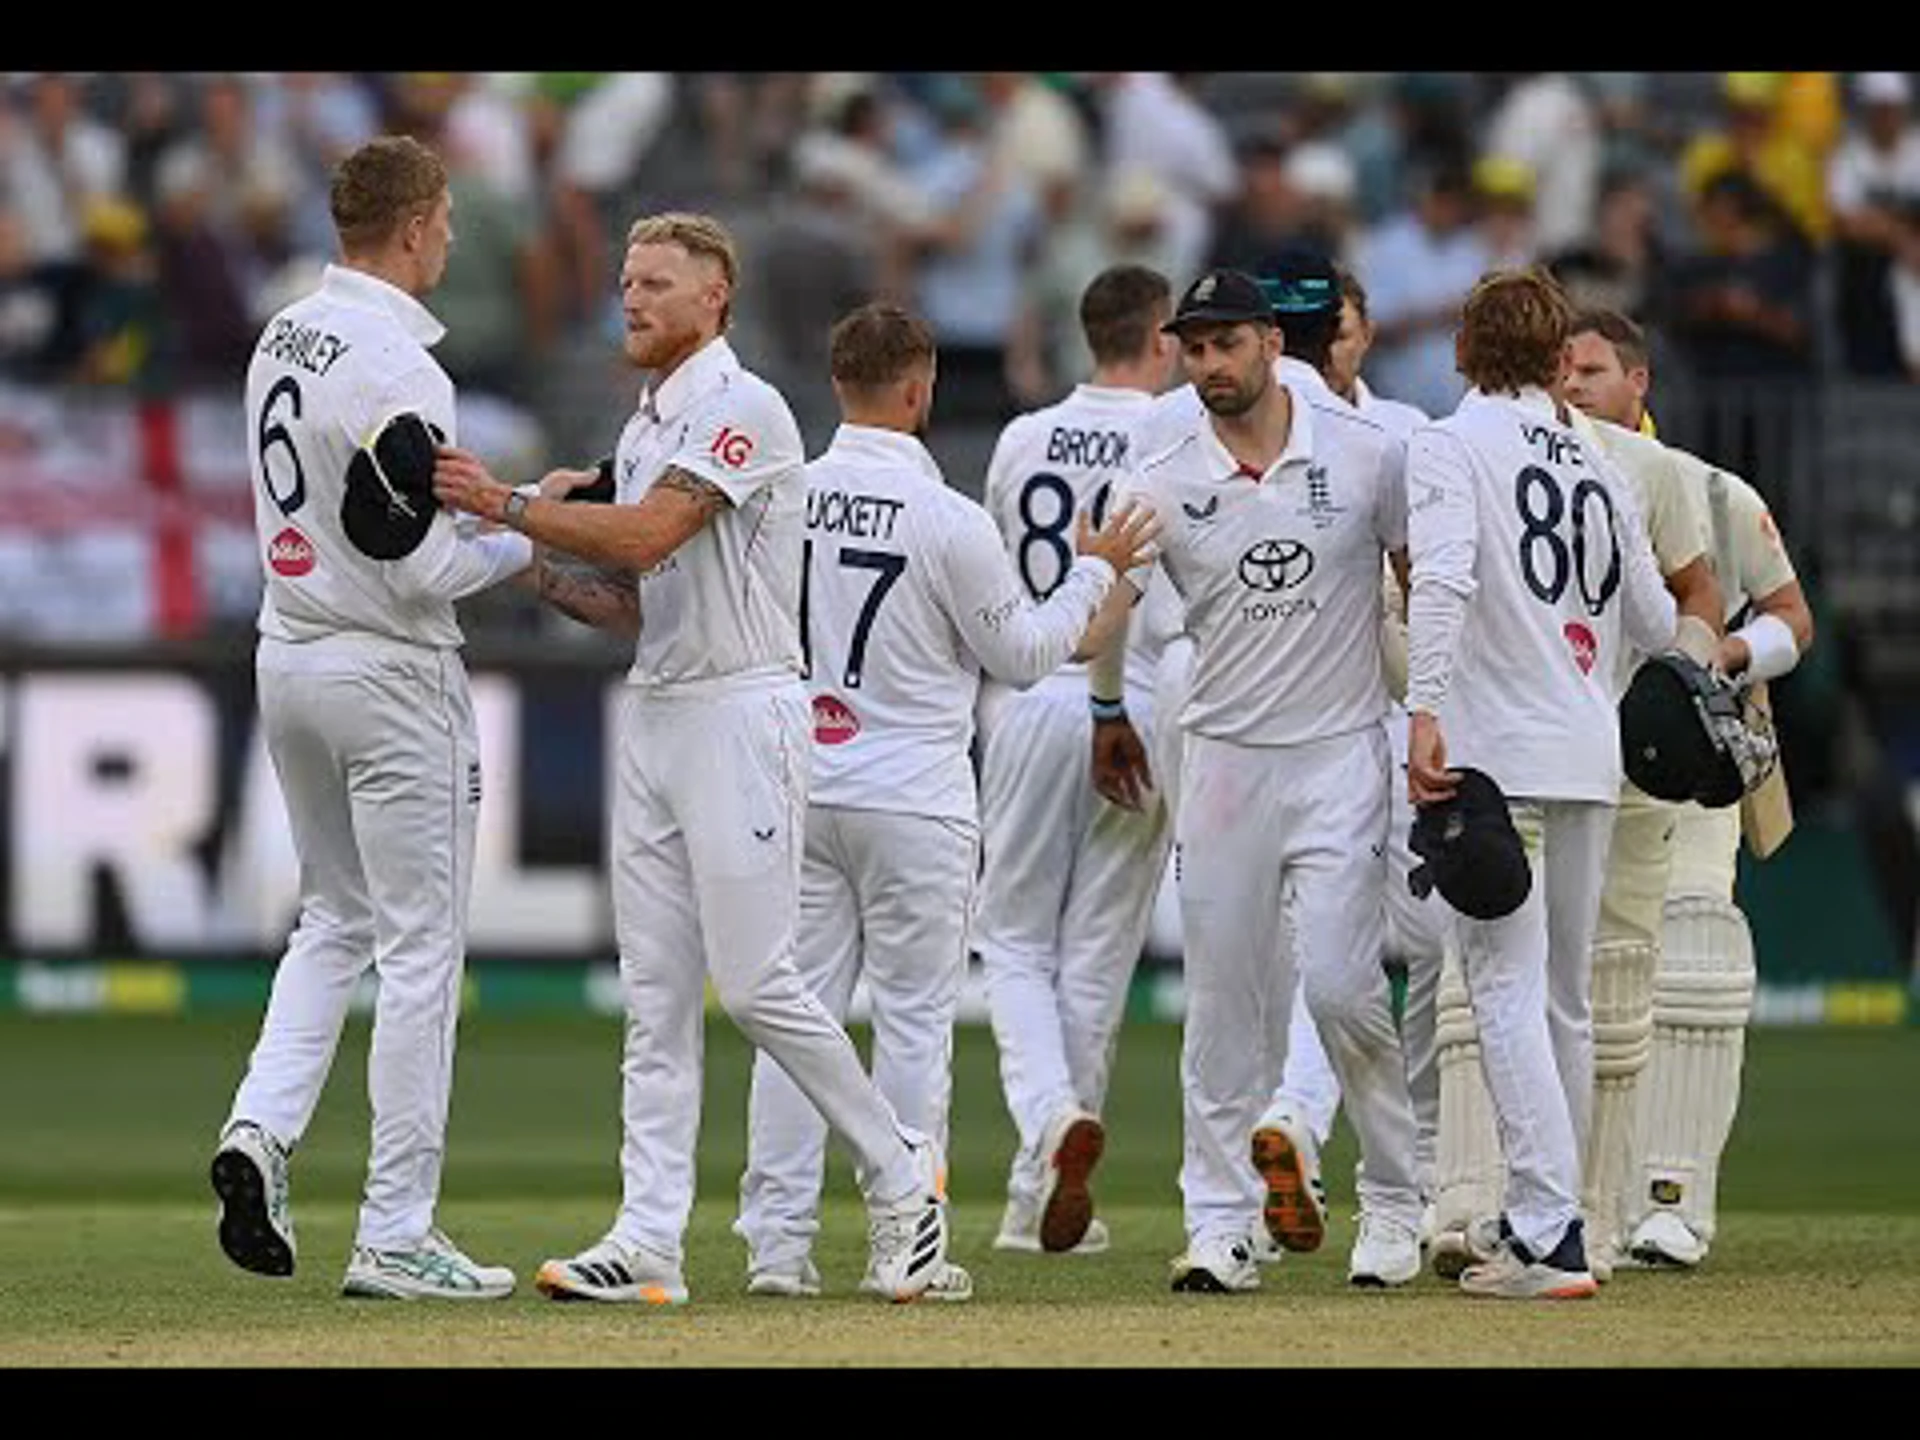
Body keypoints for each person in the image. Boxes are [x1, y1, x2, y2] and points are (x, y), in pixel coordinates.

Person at [430, 211, 950, 1306]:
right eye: (626, 280)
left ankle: (905, 1184)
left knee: (760, 984)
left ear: (716, 299)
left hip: (744, 711)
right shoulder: (645, 425)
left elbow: (651, 536)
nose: (632, 298)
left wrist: (512, 501)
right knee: (656, 997)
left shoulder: (743, 409)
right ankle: (649, 1237)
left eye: (658, 282)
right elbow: (631, 603)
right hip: (662, 709)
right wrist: (519, 554)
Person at [732, 300, 1158, 1299]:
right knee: (915, 1024)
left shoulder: (782, 495)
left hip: (805, 782)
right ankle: (902, 1245)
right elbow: (1023, 656)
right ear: (920, 388)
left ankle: (778, 1249)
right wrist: (1096, 573)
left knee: (800, 1018)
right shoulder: (947, 519)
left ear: (839, 383)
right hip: (915, 794)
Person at [210, 133, 545, 1301]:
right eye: (446, 219)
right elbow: (418, 568)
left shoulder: (282, 335)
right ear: (413, 226)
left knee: (332, 920)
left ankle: (257, 1130)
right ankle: (396, 1230)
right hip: (391, 671)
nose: (451, 237)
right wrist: (531, 528)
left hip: (288, 650)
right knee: (420, 952)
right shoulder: (404, 366)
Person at [1090, 267, 1425, 1294]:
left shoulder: (1368, 456)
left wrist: (1435, 711)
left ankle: (1396, 1204)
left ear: (1272, 346)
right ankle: (1221, 1223)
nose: (1207, 366)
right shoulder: (1157, 471)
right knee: (1223, 1005)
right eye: (1192, 348)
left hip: (1339, 758)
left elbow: (1420, 586)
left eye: (1225, 344)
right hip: (1226, 766)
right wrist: (1105, 700)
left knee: (1340, 989)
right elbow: (1110, 597)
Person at [1425, 303, 1725, 1282]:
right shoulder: (1599, 461)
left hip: (1493, 751)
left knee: (1503, 984)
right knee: (1565, 999)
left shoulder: (1450, 444)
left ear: (1467, 349)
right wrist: (1580, 669)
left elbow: (1443, 584)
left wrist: (1425, 710)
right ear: (1559, 358)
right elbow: (1651, 612)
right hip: (1589, 749)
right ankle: (1560, 1222)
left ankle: (1548, 1230)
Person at [1551, 307, 1816, 1271]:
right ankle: (1574, 1201)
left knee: (1696, 953)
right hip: (1580, 762)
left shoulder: (1711, 489)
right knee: (1581, 978)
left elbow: (1794, 616)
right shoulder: (1538, 483)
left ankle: (1674, 1200)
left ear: (1638, 381)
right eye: (1558, 371)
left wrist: (1726, 658)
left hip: (1700, 757)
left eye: (1588, 368)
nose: (1571, 385)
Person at [972, 263, 1183, 1258]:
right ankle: (1035, 1191)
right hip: (1133, 703)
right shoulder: (1174, 433)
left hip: (1034, 694)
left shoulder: (1023, 437)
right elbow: (1137, 586)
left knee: (1012, 942)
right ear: (1164, 335)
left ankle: (1049, 1129)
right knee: (1095, 959)